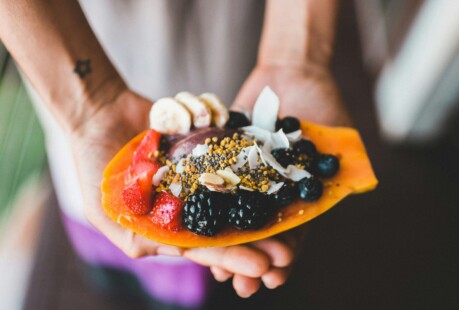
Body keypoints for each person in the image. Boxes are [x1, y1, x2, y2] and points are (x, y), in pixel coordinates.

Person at [0, 0, 351, 307]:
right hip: (64, 51)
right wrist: (89, 107)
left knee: (232, 282)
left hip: (234, 42)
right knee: (110, 250)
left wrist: (296, 59)